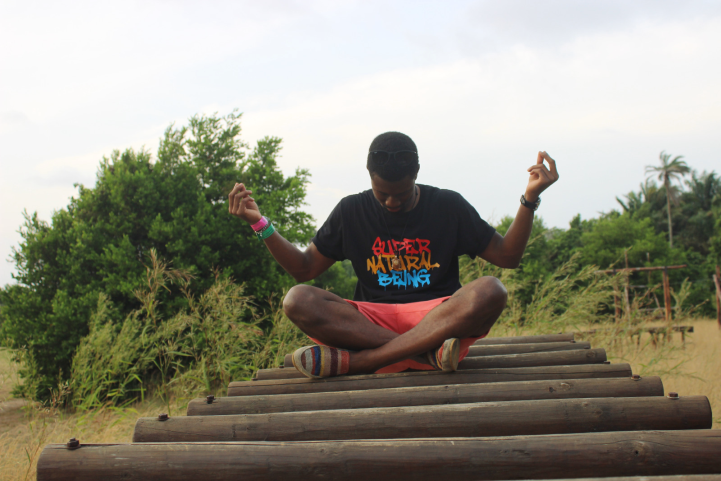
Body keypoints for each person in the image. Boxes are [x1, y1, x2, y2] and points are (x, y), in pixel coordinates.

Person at [228, 131, 559, 378]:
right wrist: (260, 224)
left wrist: (530, 198)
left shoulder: (447, 205)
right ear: (370, 177)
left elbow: (507, 257)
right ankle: (425, 355)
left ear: (416, 175)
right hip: (372, 321)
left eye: (400, 193)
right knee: (297, 300)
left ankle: (366, 362)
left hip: (439, 316)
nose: (391, 202)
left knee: (491, 290)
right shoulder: (351, 210)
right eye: (382, 193)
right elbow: (303, 270)